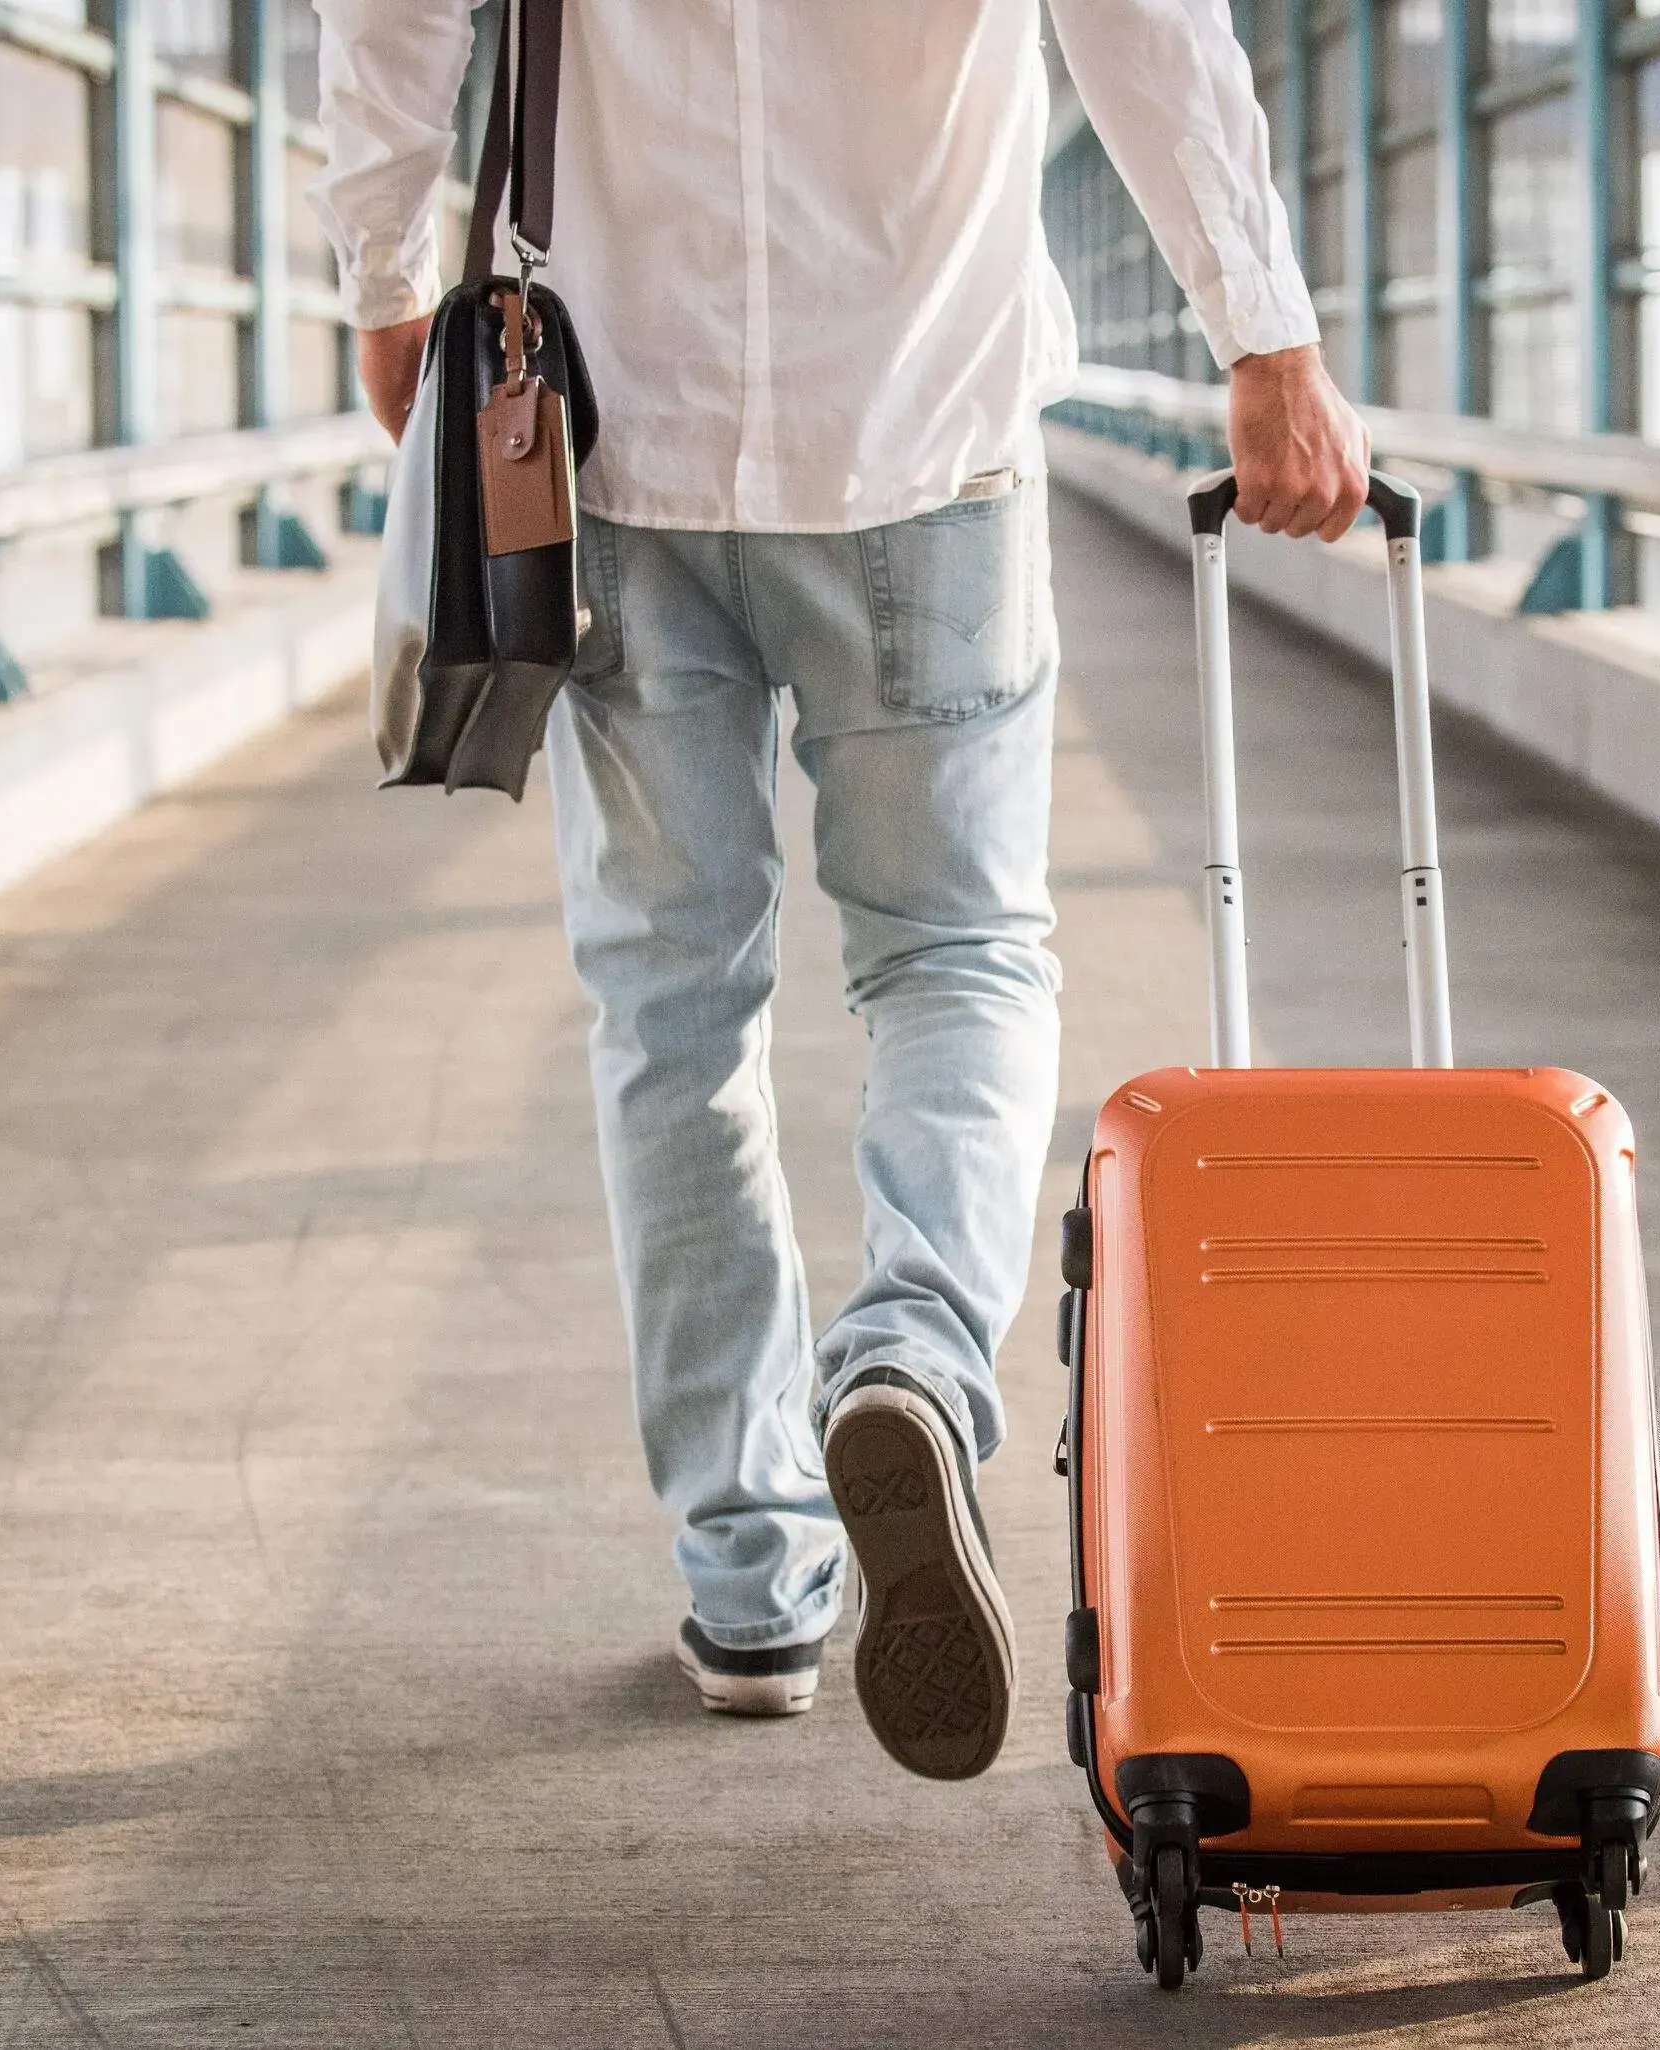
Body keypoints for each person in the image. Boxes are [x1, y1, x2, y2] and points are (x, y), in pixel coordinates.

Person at [309, 0, 1366, 1782]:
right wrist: (1262, 333)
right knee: (958, 953)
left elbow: (396, 18)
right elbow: (1140, 25)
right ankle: (916, 1362)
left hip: (615, 439)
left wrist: (390, 279)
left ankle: (750, 1576)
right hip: (923, 428)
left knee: (670, 1010)